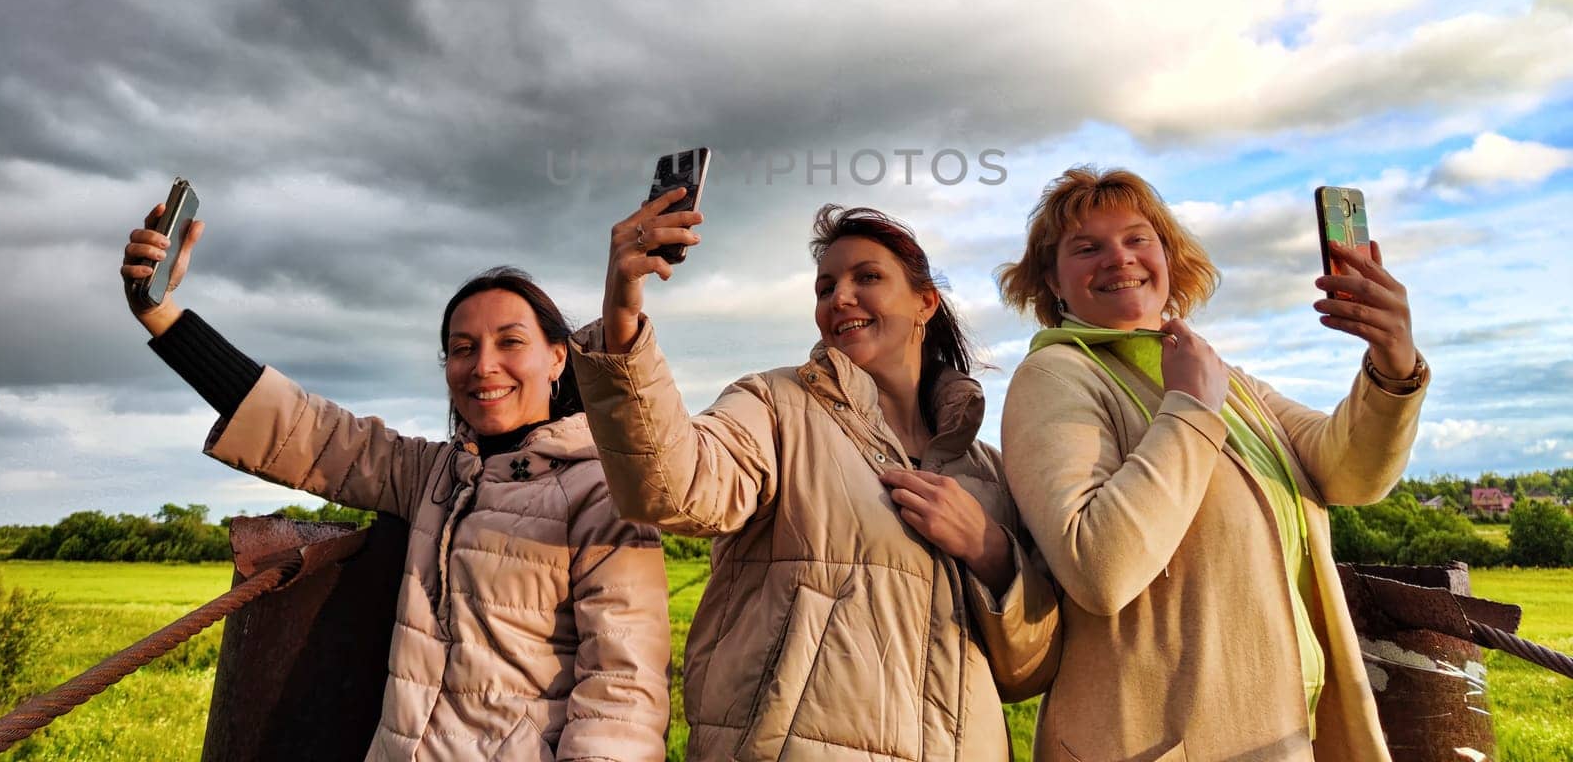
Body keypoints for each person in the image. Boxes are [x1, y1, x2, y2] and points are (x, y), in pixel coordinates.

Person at [119, 199, 670, 762]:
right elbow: (307, 430)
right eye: (462, 349)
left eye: (510, 342)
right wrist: (159, 314)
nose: (483, 366)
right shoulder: (432, 476)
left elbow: (621, 693)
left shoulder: (604, 490)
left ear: (557, 359)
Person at [569, 193, 1059, 762]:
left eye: (866, 277)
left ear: (926, 302)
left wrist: (990, 550)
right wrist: (622, 320)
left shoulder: (989, 473)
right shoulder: (776, 405)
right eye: (825, 288)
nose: (840, 298)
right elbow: (674, 486)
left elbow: (1030, 671)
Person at [997, 166, 1428, 762]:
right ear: (1053, 280)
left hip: (1289, 732)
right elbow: (1097, 567)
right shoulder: (1055, 376)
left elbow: (1349, 473)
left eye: (1136, 238)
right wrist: (1190, 409)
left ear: (1168, 256)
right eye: (1087, 248)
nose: (1119, 258)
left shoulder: (1225, 377)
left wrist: (1393, 365)